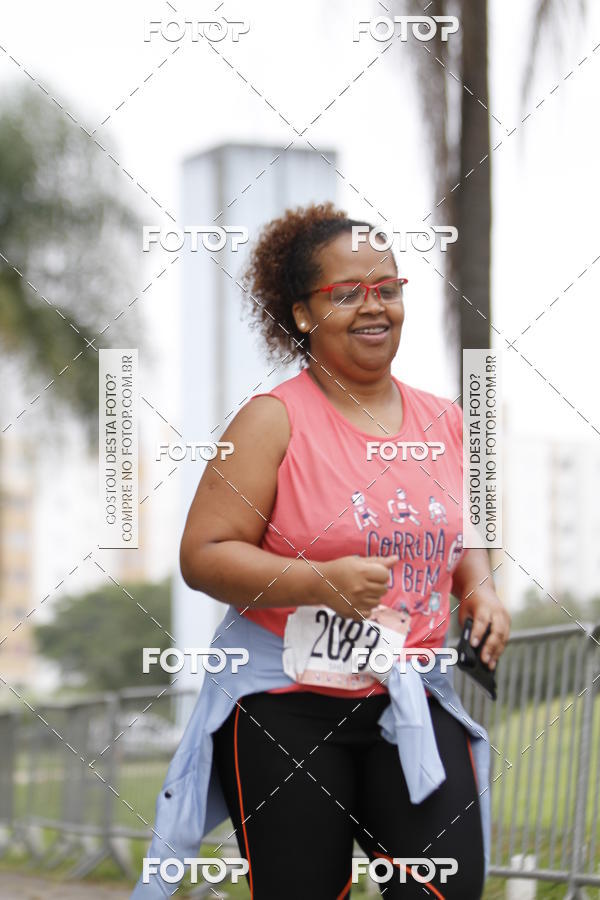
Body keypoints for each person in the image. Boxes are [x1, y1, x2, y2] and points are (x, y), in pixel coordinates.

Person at [134, 202, 511, 899]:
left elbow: (465, 533)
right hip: (285, 703)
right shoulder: (270, 420)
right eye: (347, 293)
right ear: (304, 313)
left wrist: (480, 591)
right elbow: (203, 554)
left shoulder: (447, 421)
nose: (374, 307)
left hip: (408, 693)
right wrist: (319, 581)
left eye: (387, 288)